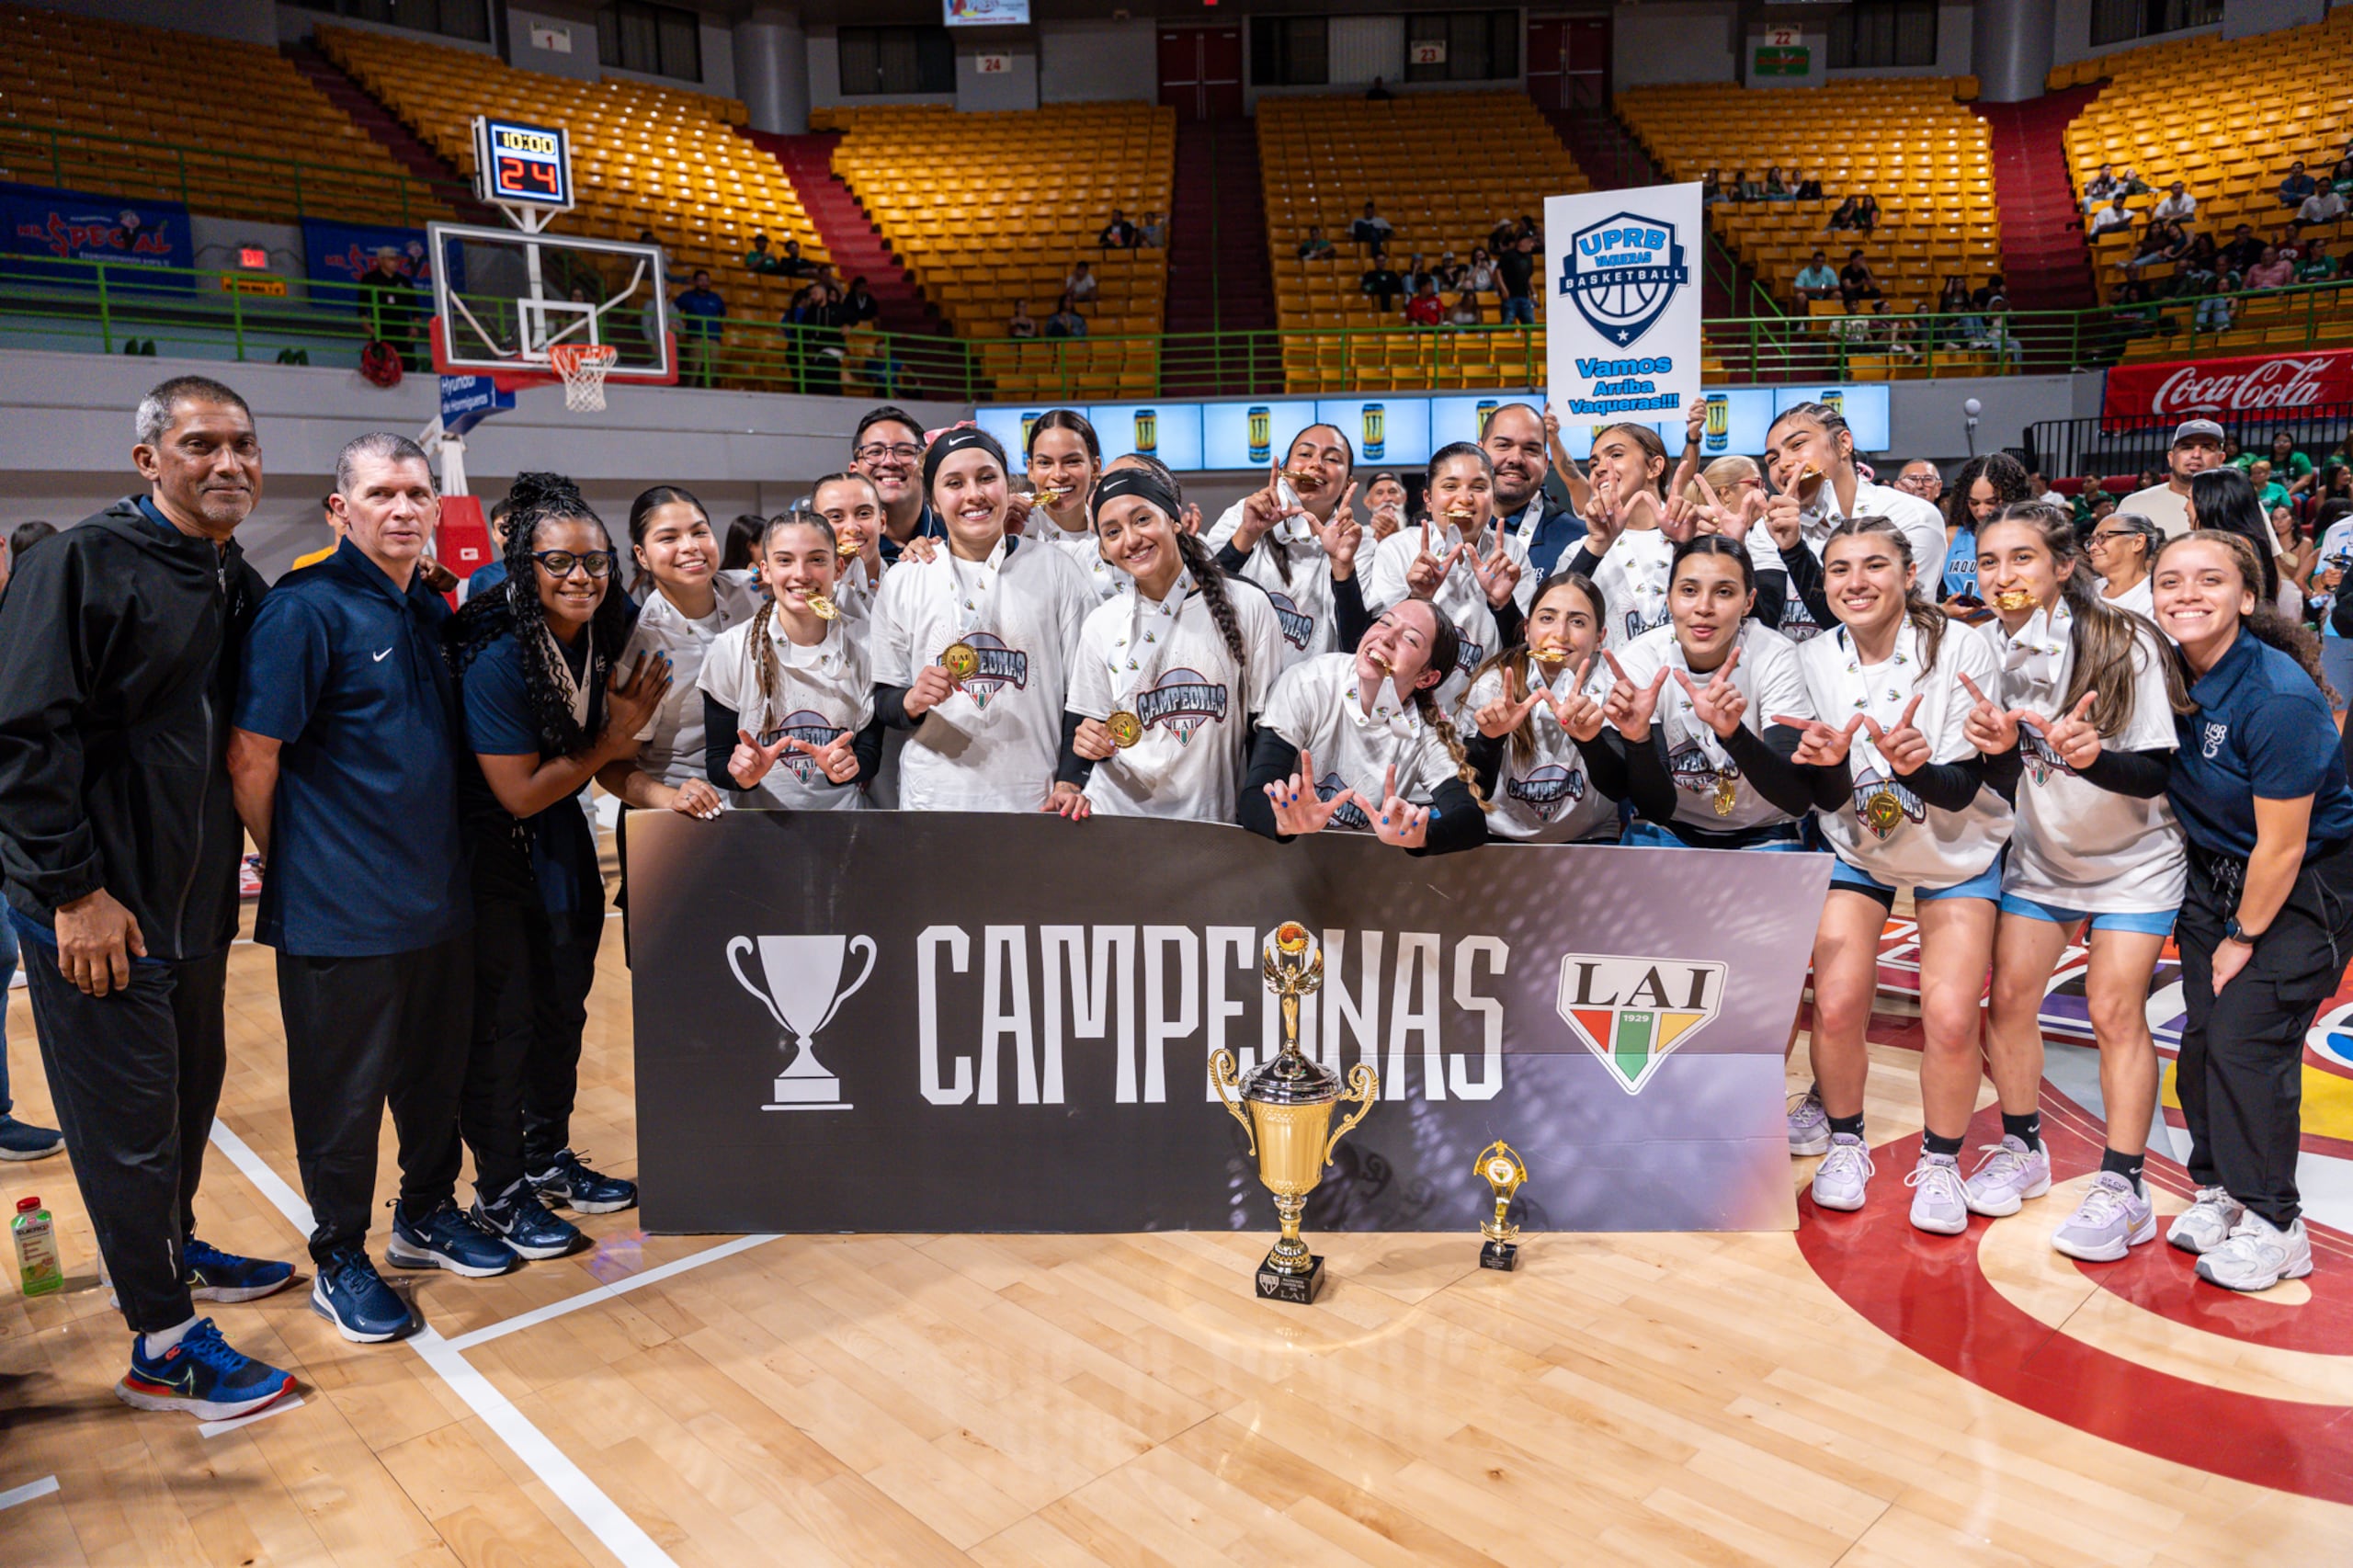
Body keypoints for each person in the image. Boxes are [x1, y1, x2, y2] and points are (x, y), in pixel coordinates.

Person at [0, 374, 297, 1418]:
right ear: (149, 460)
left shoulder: (230, 576)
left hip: (194, 907)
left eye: (243, 445)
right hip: (98, 911)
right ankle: (163, 1345)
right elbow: (23, 737)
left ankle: (176, 1250)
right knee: (127, 1129)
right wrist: (72, 890)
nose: (229, 463)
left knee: (184, 1104)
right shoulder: (77, 563)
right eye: (201, 444)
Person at [227, 433, 517, 1343]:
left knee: (434, 1080)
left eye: (416, 494)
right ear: (339, 509)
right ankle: (341, 1255)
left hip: (437, 897)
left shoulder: (425, 605)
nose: (402, 508)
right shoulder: (303, 609)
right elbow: (251, 756)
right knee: (341, 1098)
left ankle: (424, 1213)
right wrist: (292, 860)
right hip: (338, 908)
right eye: (382, 493)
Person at [1961, 502, 2188, 1258]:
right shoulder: (1983, 648)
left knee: (2113, 1011)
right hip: (2045, 856)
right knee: (2009, 1001)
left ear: (2064, 567)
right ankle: (2023, 1147)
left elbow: (2155, 771)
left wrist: (2093, 759)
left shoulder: (2126, 640)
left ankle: (2125, 1186)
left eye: (2022, 558)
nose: (2003, 575)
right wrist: (1998, 753)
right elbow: (2005, 774)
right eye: (1989, 561)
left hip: (2136, 861)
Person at [448, 474, 660, 1262]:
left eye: (595, 561)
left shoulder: (605, 625)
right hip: (491, 844)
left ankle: (546, 1157)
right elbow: (519, 792)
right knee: (505, 1024)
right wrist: (611, 741)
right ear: (523, 565)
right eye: (559, 562)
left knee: (562, 1008)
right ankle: (499, 1191)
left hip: (558, 832)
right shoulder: (499, 653)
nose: (581, 577)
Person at [2141, 530, 2353, 1289]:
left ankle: (2277, 1226)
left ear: (2248, 597)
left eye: (2210, 580)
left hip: (2299, 887)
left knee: (2245, 1044)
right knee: (2203, 1043)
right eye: (2171, 581)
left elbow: (2283, 848)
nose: (2187, 594)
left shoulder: (2276, 697)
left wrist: (2241, 936)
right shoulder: (2164, 673)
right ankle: (2221, 1190)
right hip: (2217, 877)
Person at [1781, 518, 2011, 1220]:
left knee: (1950, 1017)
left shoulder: (1962, 646)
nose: (1857, 582)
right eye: (1840, 569)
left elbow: (1965, 787)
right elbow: (1825, 793)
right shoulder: (1811, 657)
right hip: (1858, 846)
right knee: (1837, 1002)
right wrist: (1824, 769)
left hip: (1958, 847)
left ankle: (1940, 1164)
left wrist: (1916, 769)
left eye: (1875, 565)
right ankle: (1846, 1140)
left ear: (1911, 575)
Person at [870, 427, 1093, 812]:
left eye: (987, 478)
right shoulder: (906, 577)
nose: (974, 494)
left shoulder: (1057, 569)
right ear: (933, 501)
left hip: (1035, 800)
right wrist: (911, 700)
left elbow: (1085, 695)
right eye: (954, 483)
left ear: (1008, 486)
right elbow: (883, 699)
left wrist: (1070, 780)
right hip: (934, 801)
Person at [1059, 469, 1282, 823]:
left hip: (1209, 824)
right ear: (1104, 548)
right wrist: (1075, 771)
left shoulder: (1248, 605)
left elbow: (1264, 727)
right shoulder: (1102, 622)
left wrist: (1259, 816)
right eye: (1113, 532)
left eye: (1142, 520)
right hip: (1116, 819)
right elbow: (1084, 726)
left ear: (1174, 520)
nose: (1131, 540)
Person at [1601, 536, 1815, 851]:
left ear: (1748, 602)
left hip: (1766, 826)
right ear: (1669, 598)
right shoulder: (1638, 660)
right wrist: (1639, 739)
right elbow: (1656, 807)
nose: (1703, 608)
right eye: (1689, 591)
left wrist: (1734, 736)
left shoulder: (1775, 655)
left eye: (1724, 592)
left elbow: (1795, 798)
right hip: (1669, 826)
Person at [1241, 598, 1490, 855]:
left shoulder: (1426, 730)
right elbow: (1253, 798)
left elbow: (1472, 822)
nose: (1386, 638)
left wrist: (1421, 837)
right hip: (1275, 858)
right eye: (1385, 622)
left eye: (1410, 639)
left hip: (1358, 864)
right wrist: (1286, 823)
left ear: (1426, 678)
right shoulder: (1309, 684)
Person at [703, 512, 882, 810]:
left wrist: (848, 768)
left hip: (842, 822)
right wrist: (742, 774)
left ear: (838, 568)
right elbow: (718, 759)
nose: (801, 574)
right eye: (785, 561)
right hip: (757, 825)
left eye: (817, 560)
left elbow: (869, 753)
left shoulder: (867, 644)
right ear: (766, 570)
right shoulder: (730, 648)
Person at [603, 485, 756, 819]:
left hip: (769, 803)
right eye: (668, 538)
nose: (690, 546)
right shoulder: (645, 646)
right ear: (642, 555)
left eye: (700, 532)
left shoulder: (755, 591)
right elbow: (612, 765)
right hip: (688, 815)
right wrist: (671, 798)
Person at [1464, 572, 1626, 844]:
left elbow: (1619, 789)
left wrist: (1590, 742)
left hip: (1590, 838)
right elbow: (1473, 792)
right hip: (1500, 838)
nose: (1560, 634)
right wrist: (1489, 740)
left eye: (1577, 622)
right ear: (1527, 629)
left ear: (1600, 638)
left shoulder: (1611, 686)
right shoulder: (1493, 685)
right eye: (1547, 618)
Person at [1367, 444, 1527, 699]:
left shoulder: (1511, 552)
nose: (1465, 498)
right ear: (1428, 499)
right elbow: (1377, 649)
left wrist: (1503, 605)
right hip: (1408, 707)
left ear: (1493, 497)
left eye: (1478, 487)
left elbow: (1523, 651)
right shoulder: (1397, 549)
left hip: (1485, 711)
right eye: (1450, 486)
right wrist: (1418, 598)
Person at [1205, 423, 1365, 672]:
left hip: (1310, 692)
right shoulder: (1242, 515)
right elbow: (1199, 602)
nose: (1316, 464)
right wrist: (1248, 534)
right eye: (1305, 454)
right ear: (1283, 472)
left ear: (1347, 484)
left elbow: (1356, 648)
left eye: (1332, 459)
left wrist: (1342, 567)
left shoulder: (1359, 545)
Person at [1024, 409, 1116, 602]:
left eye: (1072, 462)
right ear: (1030, 470)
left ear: (1095, 468)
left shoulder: (1115, 531)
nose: (1058, 475)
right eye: (1045, 463)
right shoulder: (1016, 525)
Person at [1937, 451, 2033, 613]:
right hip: (1957, 625)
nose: (1981, 511)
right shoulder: (1952, 537)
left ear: (2012, 498)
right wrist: (1943, 610)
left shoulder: (2030, 539)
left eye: (1991, 502)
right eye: (1974, 503)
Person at [851, 404, 945, 562]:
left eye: (904, 451)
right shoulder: (834, 545)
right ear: (854, 472)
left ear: (925, 465)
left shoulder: (954, 535)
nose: (890, 461)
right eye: (875, 452)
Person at [2187, 465, 2284, 607]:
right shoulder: (2249, 541)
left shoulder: (2229, 546)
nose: (2186, 507)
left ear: (2212, 502)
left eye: (2189, 499)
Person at [2121, 417, 2227, 539]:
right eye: (2187, 447)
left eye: (2206, 448)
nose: (2196, 455)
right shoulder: (2134, 505)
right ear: (2171, 458)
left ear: (2221, 459)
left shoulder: (2238, 506)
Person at [357, 247, 422, 370]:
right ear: (381, 260)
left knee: (408, 367)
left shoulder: (404, 281)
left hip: (402, 331)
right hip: (381, 329)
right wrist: (369, 328)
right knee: (377, 367)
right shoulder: (370, 279)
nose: (395, 263)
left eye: (397, 260)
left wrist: (415, 327)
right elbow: (362, 308)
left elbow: (415, 309)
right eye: (391, 259)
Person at [2087, 511, 2161, 617]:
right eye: (2091, 541)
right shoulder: (2090, 590)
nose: (2092, 548)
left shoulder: (2155, 596)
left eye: (2102, 537)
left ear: (2138, 542)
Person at [672, 269, 726, 388]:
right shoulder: (687, 296)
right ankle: (689, 393)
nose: (704, 283)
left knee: (712, 370)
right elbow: (673, 310)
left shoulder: (716, 298)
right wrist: (677, 324)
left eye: (706, 280)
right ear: (695, 282)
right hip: (696, 338)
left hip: (713, 339)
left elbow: (723, 314)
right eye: (701, 280)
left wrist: (720, 331)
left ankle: (707, 394)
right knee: (694, 369)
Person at [1497, 233, 1538, 326]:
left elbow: (1529, 277)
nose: (1532, 245)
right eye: (1530, 242)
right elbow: (1498, 272)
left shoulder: (1529, 257)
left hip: (1525, 297)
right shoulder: (1508, 255)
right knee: (1506, 325)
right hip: (1510, 297)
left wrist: (1534, 294)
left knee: (1531, 327)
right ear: (1523, 242)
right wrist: (1503, 289)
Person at [1363, 471, 1409, 542]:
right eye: (1379, 493)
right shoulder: (1360, 538)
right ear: (1367, 502)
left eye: (1392, 491)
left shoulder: (1416, 535)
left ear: (1404, 498)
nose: (1387, 498)